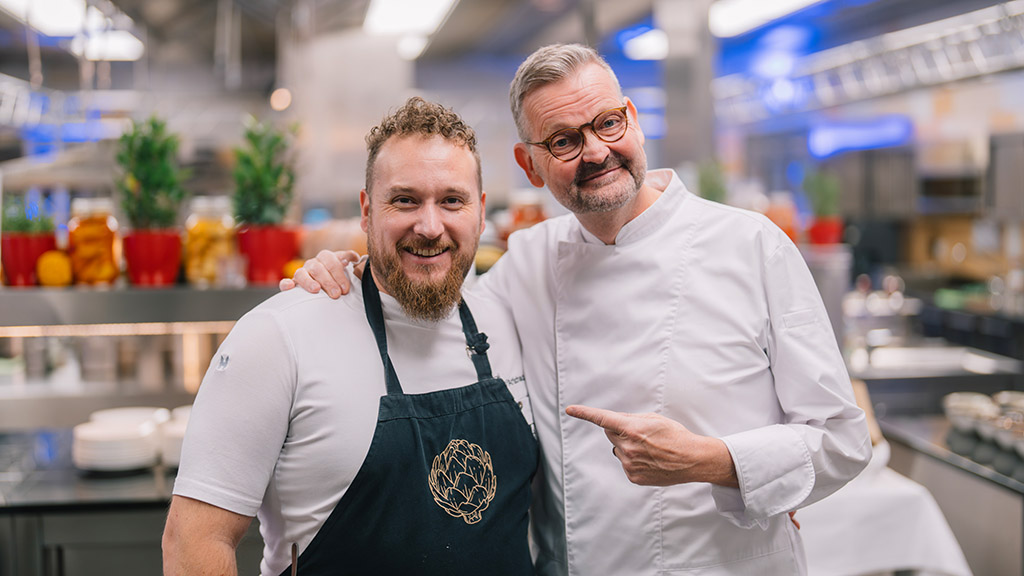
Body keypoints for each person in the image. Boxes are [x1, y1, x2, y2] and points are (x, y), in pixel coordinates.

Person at [285, 44, 872, 575]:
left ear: (633, 120)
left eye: (608, 124)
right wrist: (349, 268)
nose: (596, 151)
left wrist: (716, 461)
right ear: (528, 163)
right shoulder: (528, 262)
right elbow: (427, 305)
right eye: (564, 140)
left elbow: (843, 440)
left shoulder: (752, 245)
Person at [163, 97, 538, 576]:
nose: (429, 226)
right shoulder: (279, 336)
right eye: (404, 200)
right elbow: (194, 540)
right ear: (366, 211)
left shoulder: (508, 320)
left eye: (452, 200)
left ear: (481, 213)